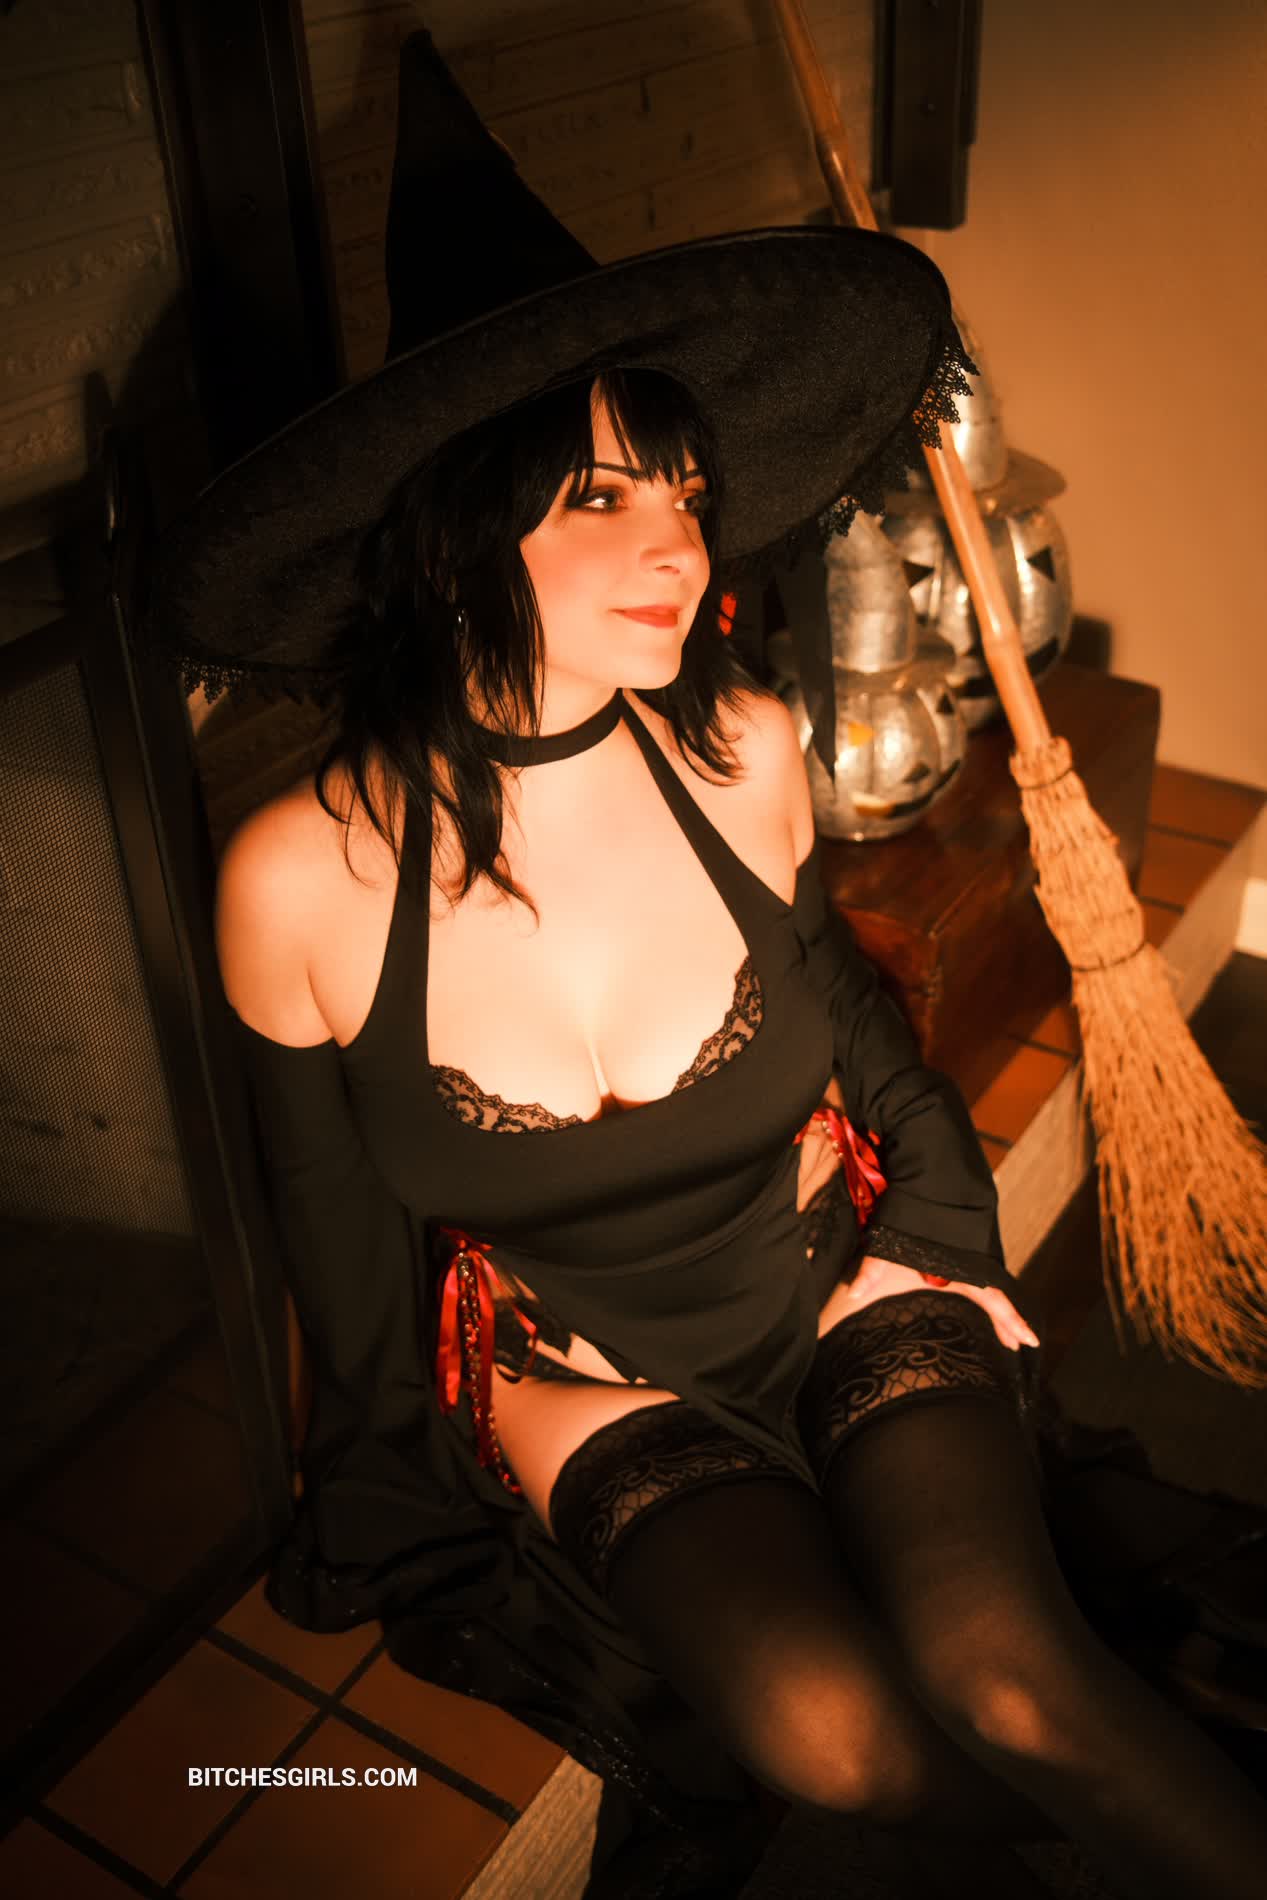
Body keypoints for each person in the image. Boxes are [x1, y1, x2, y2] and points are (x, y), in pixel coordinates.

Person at [143, 32, 1267, 1898]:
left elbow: (851, 1020)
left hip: (836, 1277)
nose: (678, 544)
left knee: (1005, 1672)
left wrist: (936, 1234)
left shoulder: (743, 752)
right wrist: (389, 1472)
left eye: (681, 490)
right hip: (586, 1376)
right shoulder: (299, 882)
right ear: (452, 536)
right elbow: (328, 1222)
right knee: (838, 1744)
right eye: (601, 499)